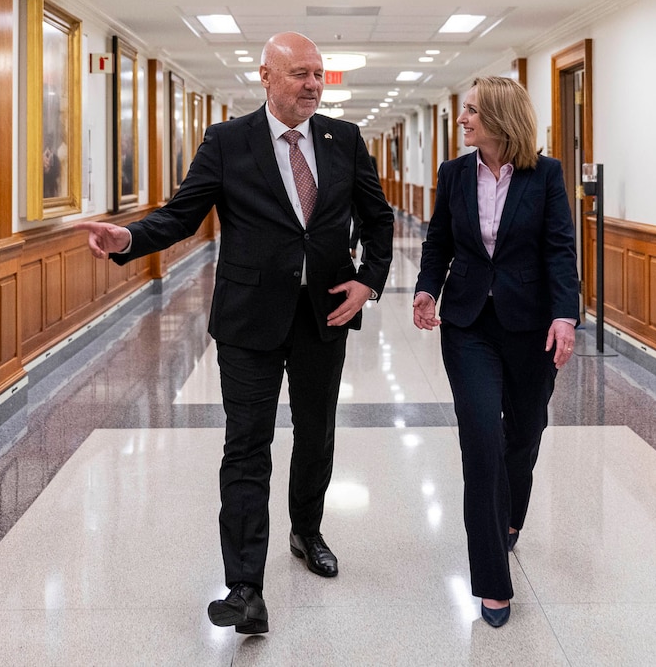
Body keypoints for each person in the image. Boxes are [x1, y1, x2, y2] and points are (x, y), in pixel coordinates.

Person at [77, 32, 394, 635]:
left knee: (316, 434)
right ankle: (245, 585)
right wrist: (130, 240)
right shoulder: (227, 141)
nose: (312, 85)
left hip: (324, 316)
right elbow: (181, 214)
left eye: (319, 74)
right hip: (249, 320)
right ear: (267, 76)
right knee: (246, 447)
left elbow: (378, 220)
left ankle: (306, 531)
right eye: (300, 73)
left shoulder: (343, 139)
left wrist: (368, 284)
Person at [412, 76, 578, 629]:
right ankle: (491, 581)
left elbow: (559, 248)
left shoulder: (546, 174)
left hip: (530, 326)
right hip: (468, 325)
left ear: (500, 118)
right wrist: (425, 289)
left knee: (524, 434)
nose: (463, 120)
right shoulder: (454, 174)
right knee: (481, 438)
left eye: (472, 112)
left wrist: (564, 314)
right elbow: (439, 241)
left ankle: (511, 518)